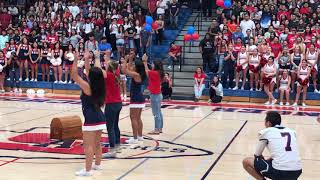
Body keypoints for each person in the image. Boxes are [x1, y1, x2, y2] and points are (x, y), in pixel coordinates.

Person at [71, 51, 106, 176]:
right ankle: (97, 165)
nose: (88, 72)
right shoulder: (100, 84)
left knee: (88, 146)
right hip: (100, 117)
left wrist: (75, 60)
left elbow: (74, 76)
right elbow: (89, 71)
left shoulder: (87, 86)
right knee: (97, 143)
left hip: (91, 118)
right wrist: (86, 60)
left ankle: (87, 171)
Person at [242, 111, 302, 180]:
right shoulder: (291, 131)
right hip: (297, 171)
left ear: (268, 123)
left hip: (280, 172)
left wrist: (263, 164)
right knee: (274, 160)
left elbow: (257, 155)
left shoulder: (266, 132)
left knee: (246, 161)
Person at [93, 51, 122, 158]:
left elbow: (98, 69)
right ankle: (118, 146)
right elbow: (110, 65)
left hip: (111, 104)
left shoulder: (109, 76)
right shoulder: (116, 74)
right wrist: (107, 57)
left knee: (110, 127)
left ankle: (112, 149)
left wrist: (97, 57)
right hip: (118, 103)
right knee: (115, 125)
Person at [121, 54, 147, 144]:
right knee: (138, 118)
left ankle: (135, 138)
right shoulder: (140, 74)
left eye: (135, 65)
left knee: (133, 118)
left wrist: (125, 60)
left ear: (138, 67)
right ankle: (140, 136)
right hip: (140, 97)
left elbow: (124, 70)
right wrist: (131, 60)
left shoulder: (136, 74)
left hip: (136, 97)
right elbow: (129, 68)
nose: (133, 66)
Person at [143, 55, 164, 135]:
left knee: (156, 113)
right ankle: (160, 128)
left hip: (155, 95)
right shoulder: (159, 72)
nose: (151, 65)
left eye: (152, 64)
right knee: (159, 112)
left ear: (156, 65)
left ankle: (156, 129)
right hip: (158, 94)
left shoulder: (154, 73)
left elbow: (146, 72)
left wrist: (145, 62)